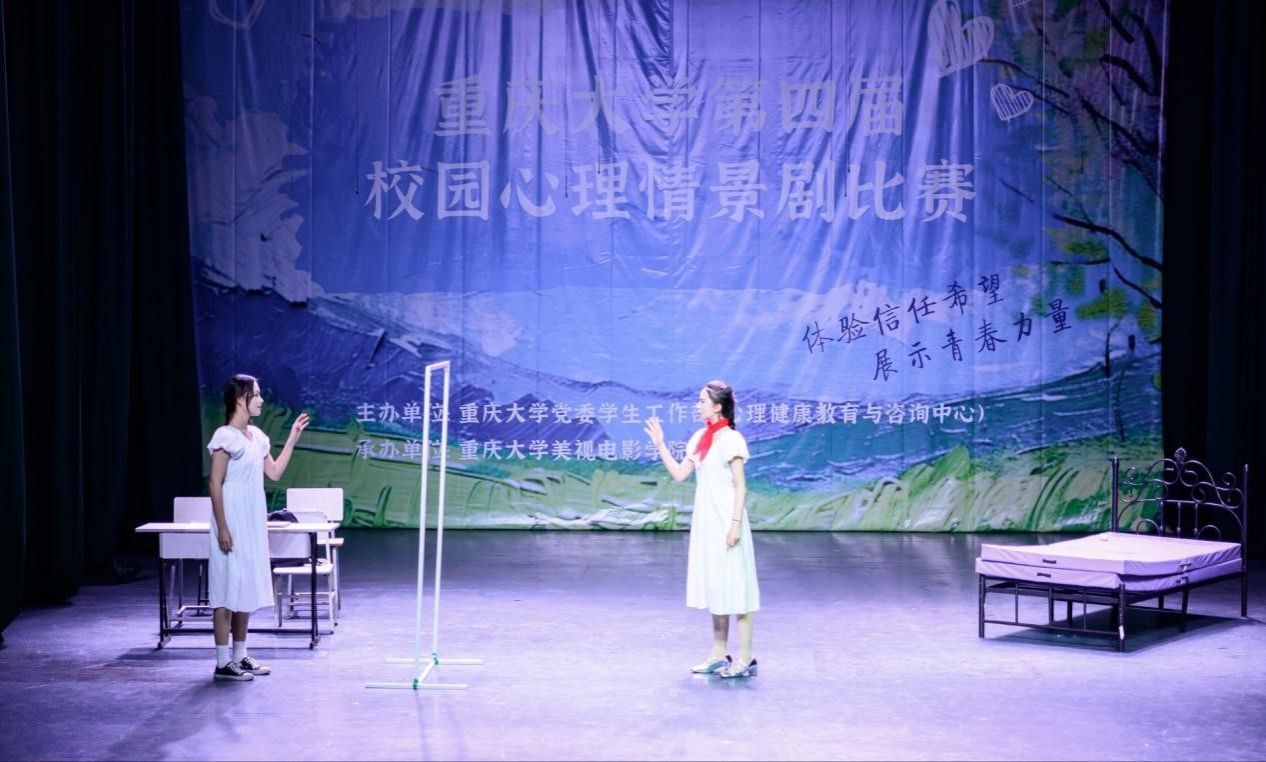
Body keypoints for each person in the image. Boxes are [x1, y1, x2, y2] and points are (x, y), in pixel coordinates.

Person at [644, 380, 760, 678]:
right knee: (717, 586)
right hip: (708, 522)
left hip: (728, 520)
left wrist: (735, 524)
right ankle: (719, 654)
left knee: (738, 588)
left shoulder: (732, 439)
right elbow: (680, 474)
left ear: (717, 406)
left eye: (702, 401)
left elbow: (740, 485)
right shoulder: (699, 438)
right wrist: (660, 444)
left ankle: (746, 658)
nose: (697, 406)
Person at [206, 374, 309, 681]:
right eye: (257, 394)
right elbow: (215, 483)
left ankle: (240, 655)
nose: (261, 400)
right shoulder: (225, 436)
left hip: (252, 519)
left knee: (245, 588)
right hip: (231, 517)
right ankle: (222, 662)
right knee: (226, 589)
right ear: (241, 398)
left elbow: (274, 472)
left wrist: (292, 439)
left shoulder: (257, 436)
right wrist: (223, 527)